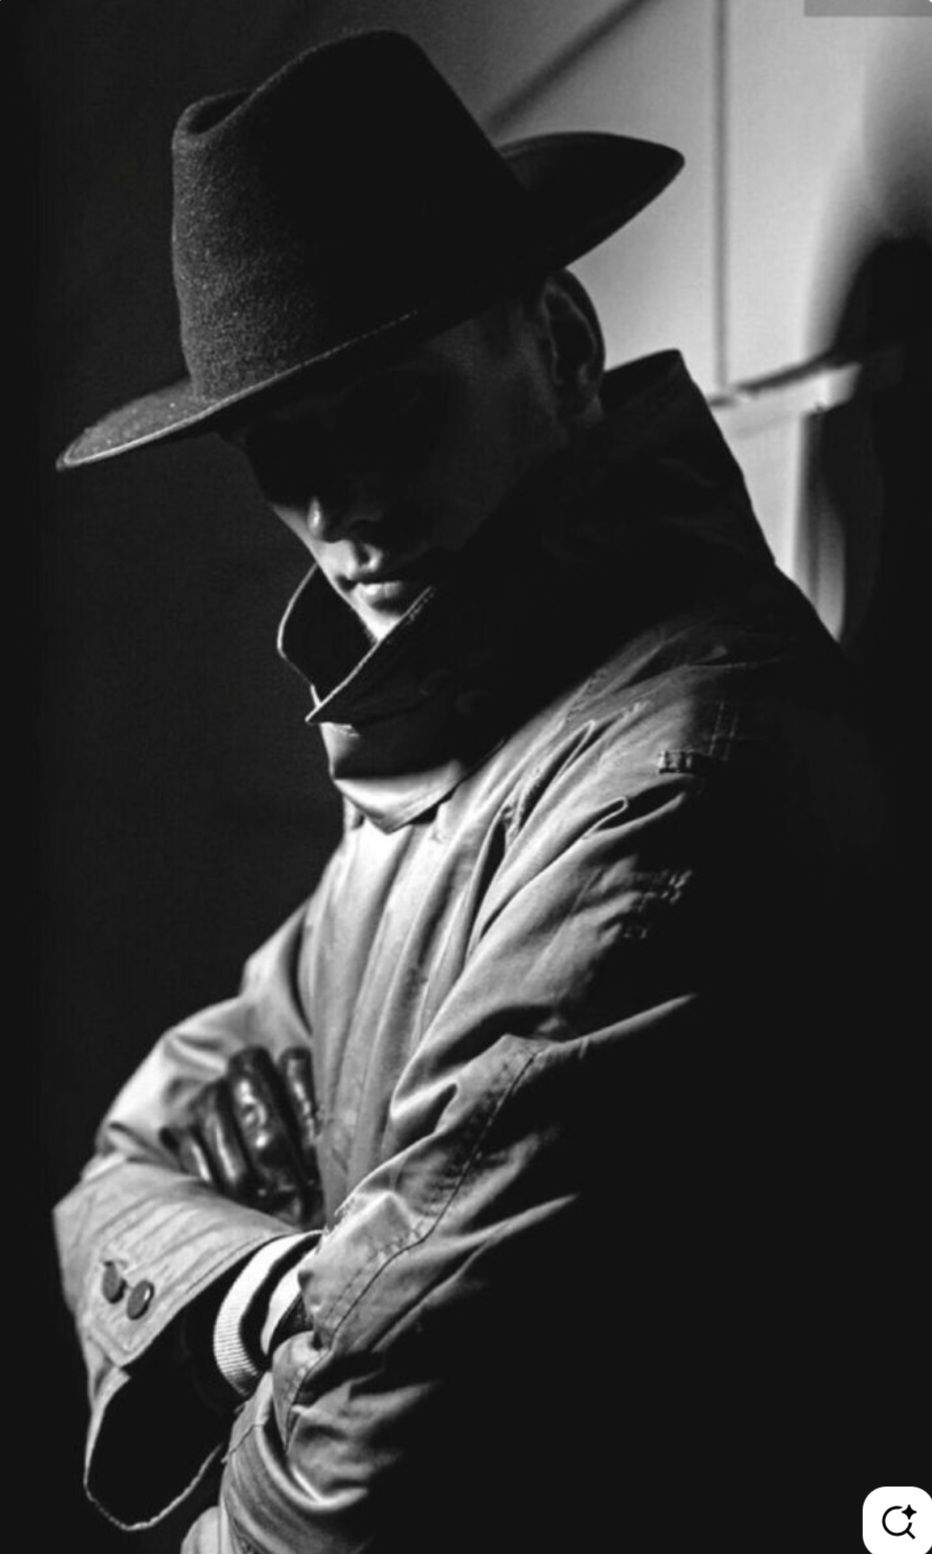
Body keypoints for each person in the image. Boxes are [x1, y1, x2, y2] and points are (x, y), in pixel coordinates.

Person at [54, 29, 891, 1554]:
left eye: (392, 408)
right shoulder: (461, 737)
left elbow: (345, 1493)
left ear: (560, 343)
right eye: (280, 451)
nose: (338, 512)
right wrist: (267, 1297)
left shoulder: (663, 801)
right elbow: (132, 1155)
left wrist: (327, 1313)